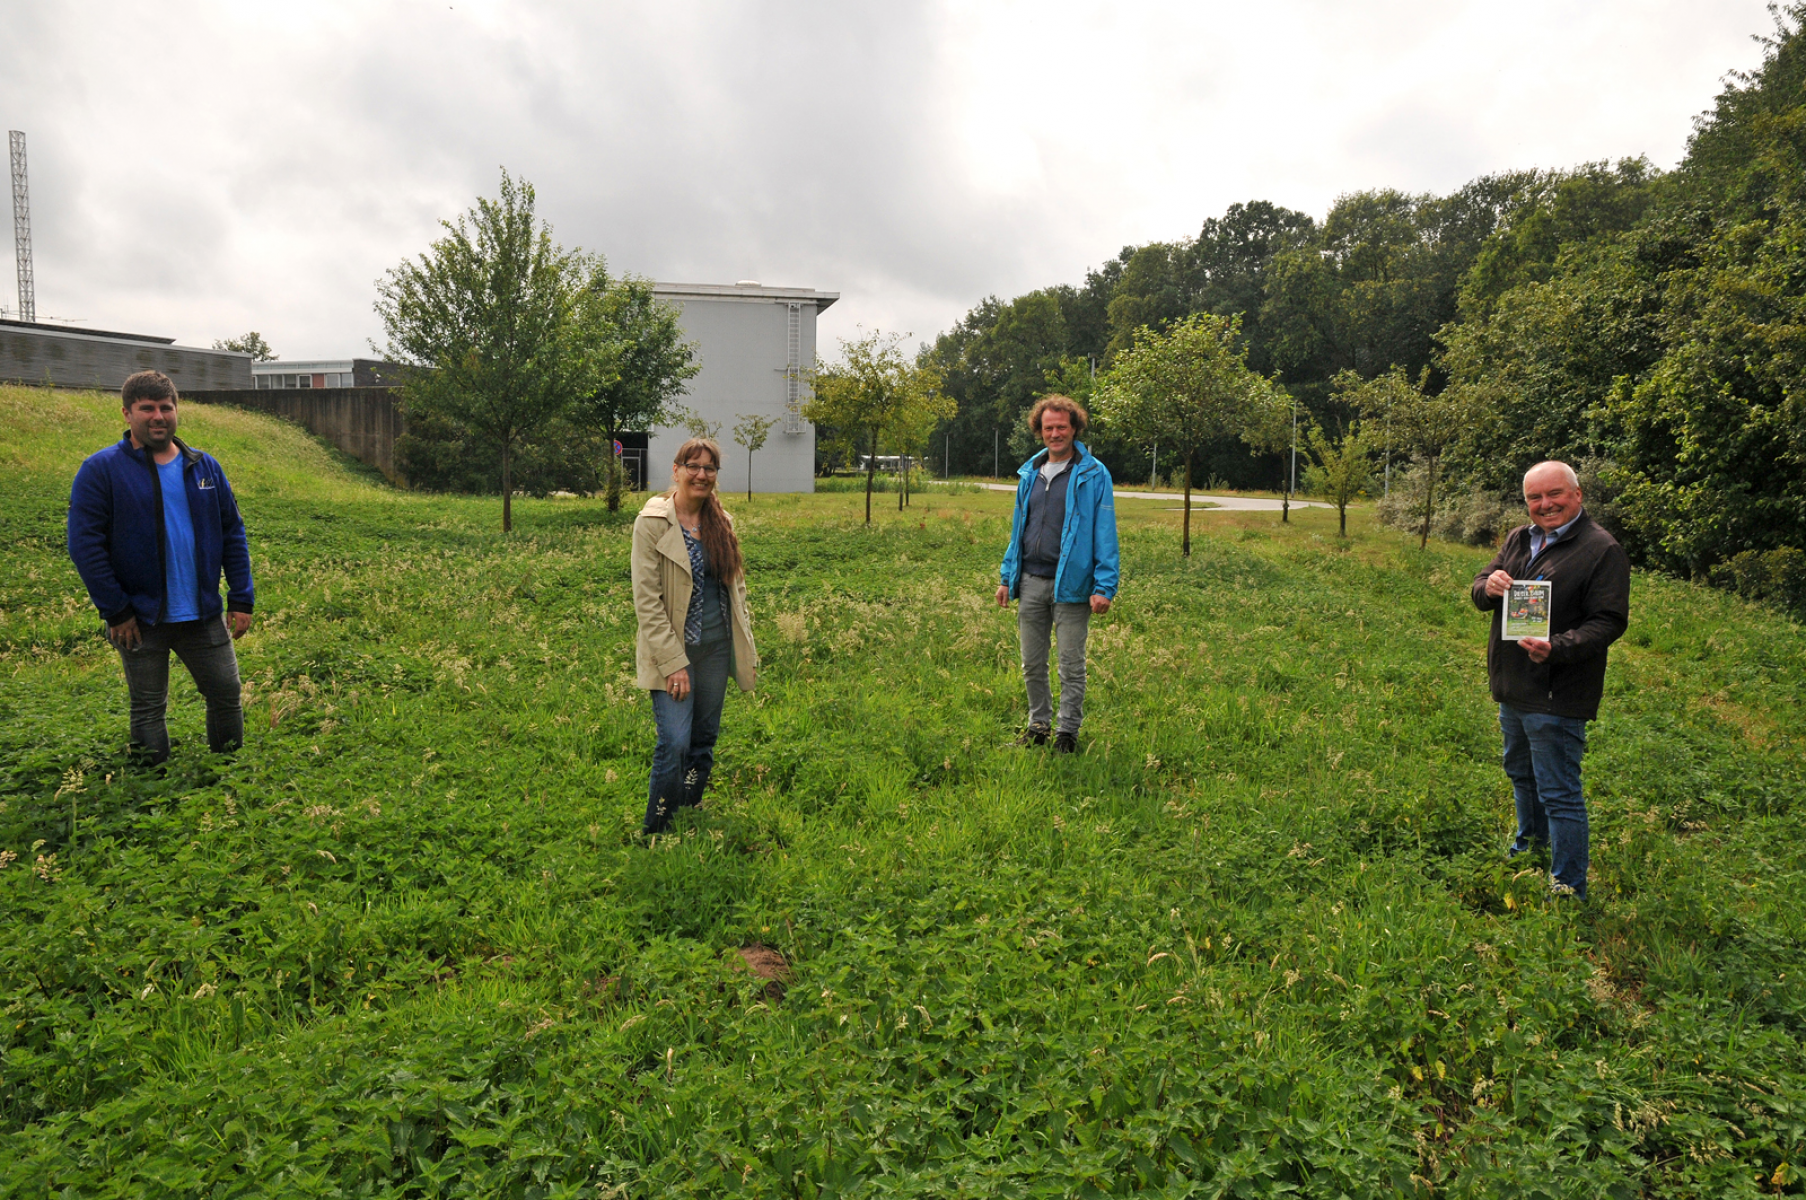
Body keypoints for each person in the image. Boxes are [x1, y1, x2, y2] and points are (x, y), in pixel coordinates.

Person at [67, 370, 255, 764]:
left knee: (226, 693)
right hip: (139, 617)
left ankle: (229, 771)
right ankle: (153, 788)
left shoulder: (204, 468)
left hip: (202, 611)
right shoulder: (101, 470)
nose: (158, 416)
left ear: (176, 411)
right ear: (126, 413)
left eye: (166, 407)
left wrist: (241, 596)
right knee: (149, 706)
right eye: (147, 408)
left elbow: (232, 533)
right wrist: (116, 611)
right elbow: (85, 546)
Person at [1470, 460, 1629, 900]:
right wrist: (1490, 585)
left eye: (1554, 494)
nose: (1545, 505)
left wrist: (1557, 647)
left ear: (1577, 495)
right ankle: (1529, 849)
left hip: (1558, 692)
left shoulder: (1601, 549)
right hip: (1514, 686)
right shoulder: (1520, 538)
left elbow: (1609, 621)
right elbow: (1480, 587)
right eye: (1535, 498)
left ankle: (1567, 885)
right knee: (1521, 775)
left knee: (1559, 792)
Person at [632, 437, 757, 834]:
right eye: (693, 466)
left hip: (716, 650)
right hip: (674, 652)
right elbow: (647, 601)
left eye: (710, 468)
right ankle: (659, 827)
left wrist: (746, 643)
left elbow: (734, 589)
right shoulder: (651, 523)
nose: (701, 474)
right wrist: (674, 664)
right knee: (675, 742)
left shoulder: (722, 523)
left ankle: (689, 809)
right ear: (676, 470)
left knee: (703, 741)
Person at [995, 395, 1120, 753]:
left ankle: (1067, 733)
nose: (1055, 433)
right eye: (1048, 427)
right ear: (1039, 430)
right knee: (1032, 663)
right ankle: (1038, 726)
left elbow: (1105, 532)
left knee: (1070, 664)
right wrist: (1007, 577)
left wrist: (1105, 586)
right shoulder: (1029, 473)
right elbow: (1019, 528)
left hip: (1074, 585)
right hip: (1031, 580)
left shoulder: (1094, 473)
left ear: (1074, 427)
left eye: (1061, 427)